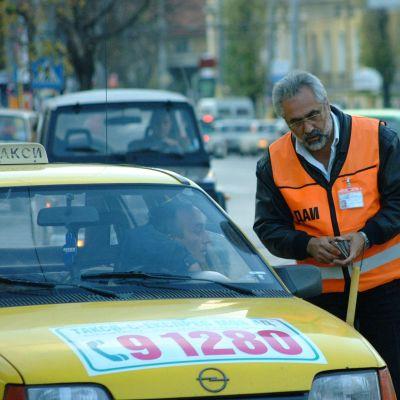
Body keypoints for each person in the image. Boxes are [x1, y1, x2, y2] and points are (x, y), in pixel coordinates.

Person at [254, 70, 400, 394]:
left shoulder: (377, 138)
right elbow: (267, 226)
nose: (308, 128)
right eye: (295, 122)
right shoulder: (274, 162)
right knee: (331, 386)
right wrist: (306, 245)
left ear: (326, 103)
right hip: (321, 300)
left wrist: (367, 236)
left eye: (313, 115)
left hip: (388, 292)